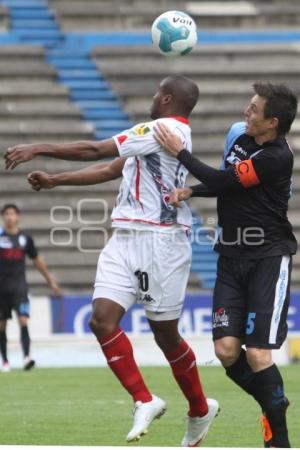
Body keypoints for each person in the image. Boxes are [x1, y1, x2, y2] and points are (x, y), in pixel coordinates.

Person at [4, 75, 219, 446]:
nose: (152, 97)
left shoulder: (162, 128)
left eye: (156, 92)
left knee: (165, 335)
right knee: (102, 321)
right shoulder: (155, 140)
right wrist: (56, 181)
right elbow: (110, 170)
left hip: (161, 242)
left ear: (167, 98)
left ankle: (200, 409)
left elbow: (96, 151)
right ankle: (144, 399)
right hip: (125, 239)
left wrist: (37, 147)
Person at [153, 82, 298, 448]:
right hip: (231, 257)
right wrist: (192, 191)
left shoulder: (278, 157)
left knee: (260, 354)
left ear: (273, 122)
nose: (246, 112)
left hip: (268, 258)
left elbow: (223, 179)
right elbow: (225, 184)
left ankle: (277, 439)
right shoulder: (240, 135)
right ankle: (274, 400)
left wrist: (180, 153)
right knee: (226, 352)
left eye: (254, 109)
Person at [0, 204, 62, 372]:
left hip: (20, 288)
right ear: (3, 217)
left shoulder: (25, 239)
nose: (9, 217)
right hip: (1, 290)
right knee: (2, 325)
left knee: (23, 320)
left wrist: (51, 281)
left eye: (12, 214)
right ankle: (4, 361)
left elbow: (37, 261)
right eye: (6, 214)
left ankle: (26, 357)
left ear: (17, 216)